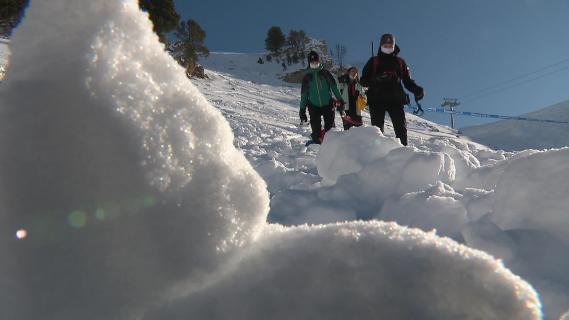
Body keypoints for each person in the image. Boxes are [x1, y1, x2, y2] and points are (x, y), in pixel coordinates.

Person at [360, 33, 424, 146]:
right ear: (381, 45)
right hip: (376, 100)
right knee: (377, 131)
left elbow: (407, 80)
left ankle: (404, 154)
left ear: (394, 46)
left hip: (396, 100)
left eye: (390, 45)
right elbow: (363, 80)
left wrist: (417, 89)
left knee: (401, 130)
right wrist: (376, 79)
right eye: (385, 45)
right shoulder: (374, 61)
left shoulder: (400, 62)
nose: (388, 47)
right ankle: (376, 156)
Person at [300, 51, 344, 144]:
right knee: (316, 133)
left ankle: (331, 148)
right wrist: (302, 111)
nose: (314, 64)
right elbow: (304, 95)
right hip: (313, 106)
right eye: (312, 62)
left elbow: (334, 87)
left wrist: (340, 100)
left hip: (327, 104)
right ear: (309, 63)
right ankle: (317, 147)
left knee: (330, 131)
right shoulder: (307, 77)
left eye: (316, 62)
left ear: (319, 62)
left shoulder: (325, 73)